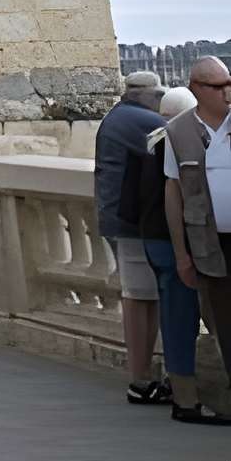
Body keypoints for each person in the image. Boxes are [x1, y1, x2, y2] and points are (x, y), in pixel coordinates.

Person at [123, 88, 217, 424]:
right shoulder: (179, 142)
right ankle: (187, 399)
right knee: (182, 321)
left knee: (177, 318)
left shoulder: (150, 143)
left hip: (154, 240)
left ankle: (181, 390)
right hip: (177, 243)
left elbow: (131, 200)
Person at [164, 57, 231, 432]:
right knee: (226, 331)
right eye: (217, 86)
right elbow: (173, 194)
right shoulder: (177, 133)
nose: (227, 92)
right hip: (210, 248)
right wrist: (181, 254)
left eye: (229, 83)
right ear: (196, 89)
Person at [95, 69, 168, 403]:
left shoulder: (117, 116)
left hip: (118, 219)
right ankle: (141, 380)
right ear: (148, 95)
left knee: (144, 297)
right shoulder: (141, 120)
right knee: (140, 298)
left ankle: (143, 378)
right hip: (134, 224)